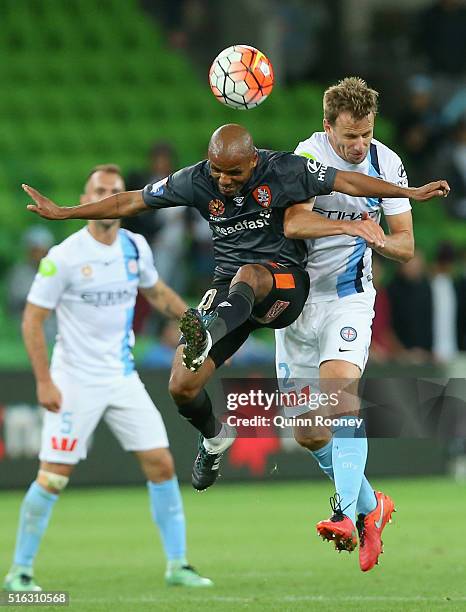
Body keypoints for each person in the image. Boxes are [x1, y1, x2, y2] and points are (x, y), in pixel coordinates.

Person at [23, 123, 449, 497]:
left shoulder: (284, 168)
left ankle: (208, 331)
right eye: (217, 171)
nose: (224, 181)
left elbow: (350, 184)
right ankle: (214, 438)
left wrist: (407, 192)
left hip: (284, 284)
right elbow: (129, 201)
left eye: (234, 173)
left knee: (251, 273)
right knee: (182, 386)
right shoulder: (197, 179)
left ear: (253, 161)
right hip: (233, 295)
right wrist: (66, 213)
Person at [4, 165, 212, 592]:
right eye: (99, 190)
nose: (107, 196)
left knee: (161, 465)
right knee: (54, 476)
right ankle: (20, 571)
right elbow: (32, 319)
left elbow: (155, 291)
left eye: (115, 191)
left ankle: (178, 564)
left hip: (121, 377)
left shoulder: (134, 248)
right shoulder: (64, 256)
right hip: (74, 380)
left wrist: (192, 321)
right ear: (85, 199)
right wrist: (44, 381)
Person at [273, 77, 435, 572]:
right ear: (327, 128)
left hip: (350, 299)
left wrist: (379, 241)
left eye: (364, 134)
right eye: (349, 137)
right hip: (299, 303)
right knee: (309, 433)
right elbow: (293, 223)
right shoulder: (307, 156)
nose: (358, 145)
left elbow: (406, 244)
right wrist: (348, 225)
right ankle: (371, 509)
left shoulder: (387, 162)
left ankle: (344, 514)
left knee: (340, 394)